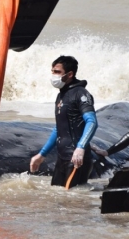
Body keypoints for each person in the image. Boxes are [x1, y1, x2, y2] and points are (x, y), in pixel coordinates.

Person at [30, 55, 98, 188]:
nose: (53, 76)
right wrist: (42, 154)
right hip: (62, 159)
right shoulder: (61, 95)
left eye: (57, 72)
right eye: (52, 72)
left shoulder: (81, 93)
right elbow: (59, 128)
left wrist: (80, 147)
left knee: (72, 202)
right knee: (57, 199)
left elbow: (92, 122)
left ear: (70, 74)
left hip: (76, 158)